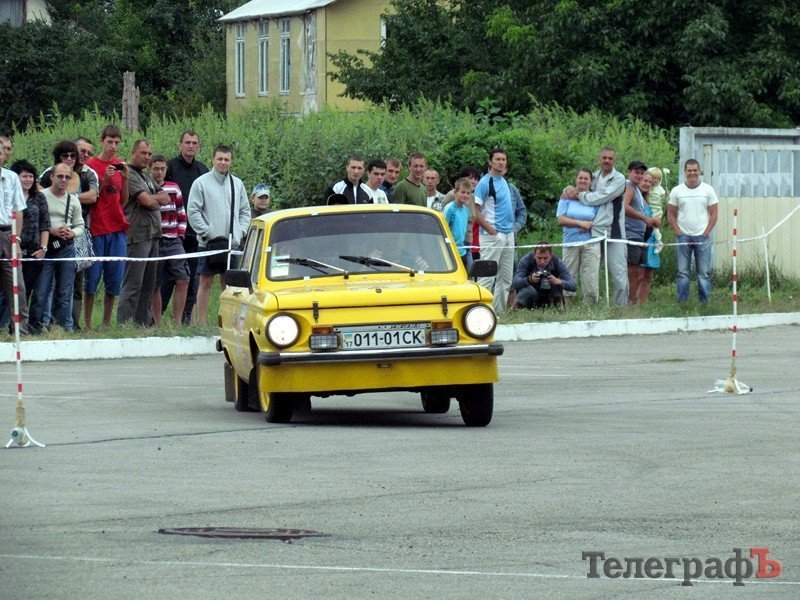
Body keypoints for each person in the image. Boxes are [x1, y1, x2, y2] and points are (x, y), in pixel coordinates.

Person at [186, 145, 251, 325]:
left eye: (227, 159)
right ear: (213, 159)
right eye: (220, 159)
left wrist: (241, 231)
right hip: (208, 243)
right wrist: (206, 232)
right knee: (205, 283)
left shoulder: (237, 184)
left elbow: (245, 211)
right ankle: (201, 324)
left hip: (232, 244)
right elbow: (193, 211)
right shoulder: (201, 183)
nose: (223, 162)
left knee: (230, 286)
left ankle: (229, 323)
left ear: (231, 161)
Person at [40, 139, 99, 329]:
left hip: (77, 234)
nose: (69, 159)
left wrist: (69, 198)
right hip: (48, 238)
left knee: (74, 282)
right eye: (65, 155)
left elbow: (93, 196)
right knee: (47, 285)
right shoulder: (48, 173)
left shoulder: (86, 173)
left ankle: (70, 323)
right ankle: (45, 323)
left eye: (73, 155)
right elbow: (38, 195)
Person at [563, 147, 627, 306]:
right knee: (590, 274)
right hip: (592, 231)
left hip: (614, 233)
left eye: (610, 158)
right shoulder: (594, 176)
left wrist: (580, 196)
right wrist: (569, 190)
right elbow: (580, 185)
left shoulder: (619, 178)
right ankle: (590, 307)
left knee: (618, 275)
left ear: (615, 161)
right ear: (599, 159)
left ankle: (621, 309)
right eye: (604, 158)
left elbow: (602, 197)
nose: (606, 161)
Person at [117, 140, 169, 325]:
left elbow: (164, 198)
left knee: (149, 284)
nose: (147, 157)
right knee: (133, 283)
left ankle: (142, 324)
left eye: (149, 153)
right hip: (137, 235)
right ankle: (124, 324)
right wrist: (151, 200)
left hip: (154, 234)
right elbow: (148, 202)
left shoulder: (146, 176)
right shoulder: (129, 174)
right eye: (143, 153)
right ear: (133, 152)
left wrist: (151, 199)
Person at [30, 163, 84, 332]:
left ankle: (61, 327)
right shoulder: (40, 196)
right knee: (41, 290)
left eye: (67, 177)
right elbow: (33, 221)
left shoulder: (73, 200)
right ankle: (36, 327)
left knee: (65, 290)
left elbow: (80, 225)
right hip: (45, 247)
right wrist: (50, 230)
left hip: (66, 247)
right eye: (60, 176)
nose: (63, 180)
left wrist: (72, 233)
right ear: (52, 177)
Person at [85, 124, 129, 328]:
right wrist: (104, 180)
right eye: (109, 142)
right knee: (92, 279)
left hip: (118, 227)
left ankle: (106, 323)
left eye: (117, 143)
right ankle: (86, 323)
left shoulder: (120, 164)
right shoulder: (92, 165)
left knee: (114, 279)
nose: (113, 146)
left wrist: (126, 177)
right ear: (102, 141)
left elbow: (124, 200)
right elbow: (92, 197)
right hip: (97, 227)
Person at [165, 130, 209, 325]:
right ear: (180, 145)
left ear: (198, 146)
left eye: (194, 143)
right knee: (167, 280)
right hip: (173, 234)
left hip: (196, 234)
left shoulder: (203, 170)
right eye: (187, 142)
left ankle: (184, 320)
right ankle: (155, 320)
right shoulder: (170, 167)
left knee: (192, 281)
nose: (191, 146)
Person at [667, 159, 719, 303]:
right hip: (683, 237)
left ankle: (704, 303)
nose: (692, 173)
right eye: (689, 170)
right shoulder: (677, 191)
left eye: (695, 170)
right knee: (682, 273)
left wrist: (707, 232)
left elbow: (714, 214)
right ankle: (682, 303)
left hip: (703, 237)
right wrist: (678, 232)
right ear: (685, 172)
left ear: (699, 171)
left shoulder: (708, 190)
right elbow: (670, 214)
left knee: (704, 272)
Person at [473, 148, 515, 314]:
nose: (501, 162)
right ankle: (480, 312)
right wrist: (491, 231)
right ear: (490, 162)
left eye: (503, 159)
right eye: (497, 159)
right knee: (487, 278)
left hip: (507, 234)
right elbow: (475, 210)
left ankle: (499, 313)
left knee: (505, 278)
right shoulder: (485, 182)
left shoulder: (503, 180)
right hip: (492, 237)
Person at [149, 154, 188, 326]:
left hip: (173, 240)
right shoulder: (146, 187)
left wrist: (180, 234)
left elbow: (181, 212)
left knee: (183, 278)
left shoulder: (174, 188)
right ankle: (157, 323)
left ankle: (177, 322)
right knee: (155, 283)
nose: (159, 172)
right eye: (156, 169)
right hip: (154, 240)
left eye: (162, 169)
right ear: (150, 169)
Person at [556, 168, 600, 304]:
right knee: (568, 273)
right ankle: (567, 304)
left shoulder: (595, 198)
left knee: (590, 274)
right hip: (570, 241)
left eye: (586, 178)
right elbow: (561, 219)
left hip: (591, 242)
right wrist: (580, 223)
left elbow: (601, 218)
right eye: (580, 178)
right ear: (576, 179)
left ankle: (590, 305)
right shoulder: (566, 197)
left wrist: (590, 225)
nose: (583, 181)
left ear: (591, 181)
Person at [10, 160, 49, 306]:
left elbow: (45, 224)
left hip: (33, 253)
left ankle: (21, 327)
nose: (28, 180)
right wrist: (15, 245)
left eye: (31, 176)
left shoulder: (39, 197)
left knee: (27, 292)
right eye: (24, 176)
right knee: (8, 292)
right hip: (11, 250)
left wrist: (43, 248)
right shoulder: (8, 197)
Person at [0, 160, 30, 333]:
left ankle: (21, 332)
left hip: (7, 234)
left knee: (17, 286)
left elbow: (18, 210)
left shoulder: (11, 177)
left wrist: (16, 240)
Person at [623, 160, 657, 305]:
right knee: (633, 272)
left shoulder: (637, 190)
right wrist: (644, 218)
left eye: (641, 173)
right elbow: (625, 207)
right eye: (636, 172)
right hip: (631, 235)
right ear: (629, 172)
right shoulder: (629, 186)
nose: (639, 175)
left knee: (639, 274)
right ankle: (628, 302)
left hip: (640, 236)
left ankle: (632, 301)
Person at [512, 242, 576, 309]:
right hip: (530, 296)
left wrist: (558, 281)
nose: (542, 261)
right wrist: (530, 279)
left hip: (549, 296)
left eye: (545, 258)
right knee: (528, 290)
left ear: (551, 256)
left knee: (557, 285)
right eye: (539, 258)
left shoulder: (557, 262)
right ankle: (513, 313)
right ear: (534, 255)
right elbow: (515, 282)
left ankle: (558, 313)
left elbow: (573, 286)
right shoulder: (526, 260)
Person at [632, 170, 660, 304]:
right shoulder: (634, 197)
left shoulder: (650, 199)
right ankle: (631, 301)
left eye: (649, 181)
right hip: (639, 238)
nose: (647, 184)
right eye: (644, 181)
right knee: (638, 274)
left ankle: (642, 305)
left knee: (648, 274)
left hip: (651, 238)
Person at [443, 178, 474, 271]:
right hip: (450, 250)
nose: (465, 195)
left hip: (462, 250)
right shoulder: (450, 208)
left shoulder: (466, 210)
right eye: (463, 192)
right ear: (456, 192)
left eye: (468, 193)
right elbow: (444, 228)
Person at [647, 167, 667, 252]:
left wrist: (666, 195)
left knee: (655, 227)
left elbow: (665, 201)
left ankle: (659, 241)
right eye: (654, 178)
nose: (656, 180)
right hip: (649, 209)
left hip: (657, 210)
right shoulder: (647, 187)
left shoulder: (661, 189)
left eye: (658, 178)